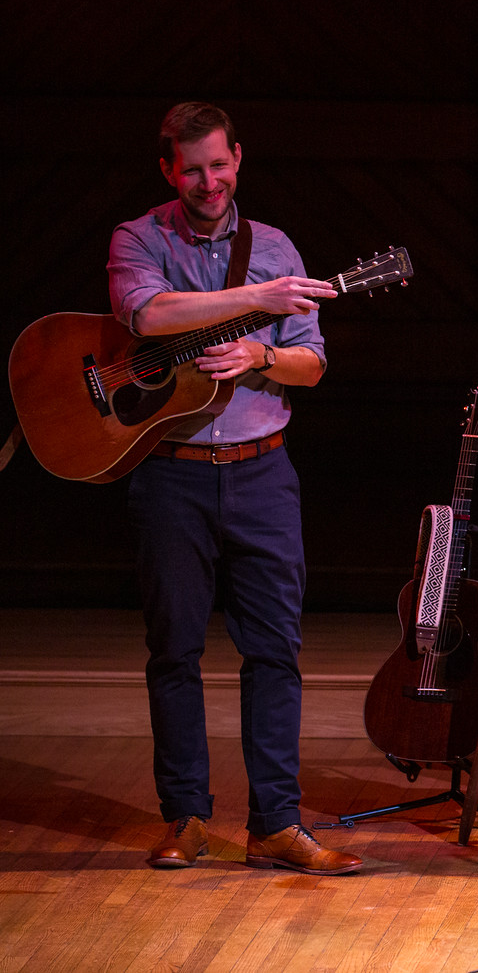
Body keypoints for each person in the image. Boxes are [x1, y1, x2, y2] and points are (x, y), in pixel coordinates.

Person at [110, 101, 362, 875]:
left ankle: (276, 824)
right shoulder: (139, 239)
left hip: (262, 471)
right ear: (168, 171)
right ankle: (186, 817)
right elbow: (150, 314)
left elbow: (312, 363)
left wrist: (259, 356)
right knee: (174, 651)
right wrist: (256, 300)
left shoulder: (276, 247)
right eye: (192, 169)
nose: (208, 181)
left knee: (275, 652)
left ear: (238, 159)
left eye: (219, 165)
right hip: (171, 475)